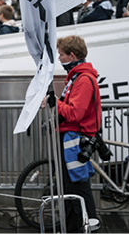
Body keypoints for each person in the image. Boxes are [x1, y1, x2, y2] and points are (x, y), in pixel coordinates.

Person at [48, 35, 101, 231]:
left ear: (72, 55)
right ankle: (73, 225)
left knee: (78, 187)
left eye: (61, 54)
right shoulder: (77, 77)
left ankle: (86, 226)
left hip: (75, 140)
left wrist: (56, 103)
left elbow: (75, 113)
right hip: (71, 139)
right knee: (71, 187)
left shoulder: (83, 80)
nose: (59, 58)